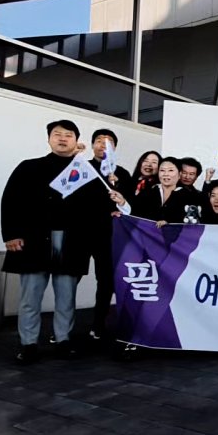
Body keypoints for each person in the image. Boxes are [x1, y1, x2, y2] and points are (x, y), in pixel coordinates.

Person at [1, 120, 109, 364]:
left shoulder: (86, 171)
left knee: (66, 295)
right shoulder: (29, 167)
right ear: (48, 139)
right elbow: (10, 200)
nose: (62, 139)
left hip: (72, 240)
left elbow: (98, 206)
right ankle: (28, 343)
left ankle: (63, 340)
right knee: (31, 296)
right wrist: (11, 234)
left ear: (76, 140)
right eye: (57, 134)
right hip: (34, 239)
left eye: (68, 135)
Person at [88, 129, 133, 342]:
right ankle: (62, 332)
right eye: (99, 141)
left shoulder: (122, 173)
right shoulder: (82, 167)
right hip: (84, 232)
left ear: (114, 148)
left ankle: (99, 324)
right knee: (69, 280)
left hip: (110, 235)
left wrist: (118, 189)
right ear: (92, 145)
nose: (103, 145)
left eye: (108, 142)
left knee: (105, 280)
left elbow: (131, 204)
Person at [116, 157, 201, 225]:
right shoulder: (148, 192)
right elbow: (134, 212)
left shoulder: (190, 196)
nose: (166, 174)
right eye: (162, 170)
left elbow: (192, 222)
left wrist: (169, 223)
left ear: (179, 174)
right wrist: (122, 202)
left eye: (171, 170)